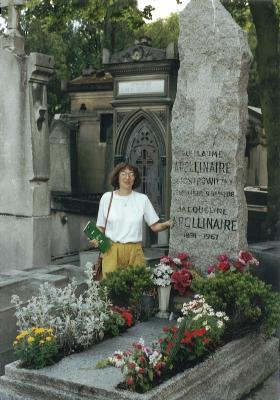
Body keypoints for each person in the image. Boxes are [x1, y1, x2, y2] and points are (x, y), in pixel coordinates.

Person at [91, 162, 172, 277]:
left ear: (135, 178)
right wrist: (96, 239)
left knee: (135, 289)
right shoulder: (107, 198)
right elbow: (100, 227)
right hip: (111, 250)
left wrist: (168, 224)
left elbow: (154, 226)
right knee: (111, 290)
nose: (127, 177)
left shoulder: (142, 199)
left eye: (131, 174)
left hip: (135, 251)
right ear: (117, 177)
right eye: (123, 174)